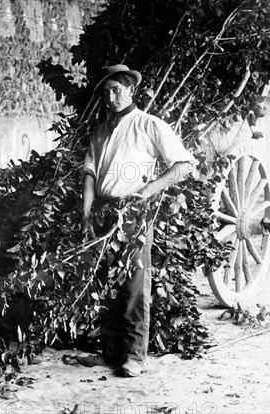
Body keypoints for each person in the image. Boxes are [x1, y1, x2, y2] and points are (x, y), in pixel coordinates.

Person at [78, 64, 195, 377]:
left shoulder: (148, 125)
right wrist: (86, 210)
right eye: (106, 91)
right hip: (103, 211)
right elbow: (89, 172)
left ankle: (134, 357)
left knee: (133, 286)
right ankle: (110, 352)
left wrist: (147, 191)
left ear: (130, 90)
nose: (111, 96)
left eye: (117, 89)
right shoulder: (101, 130)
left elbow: (183, 164)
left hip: (132, 214)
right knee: (105, 284)